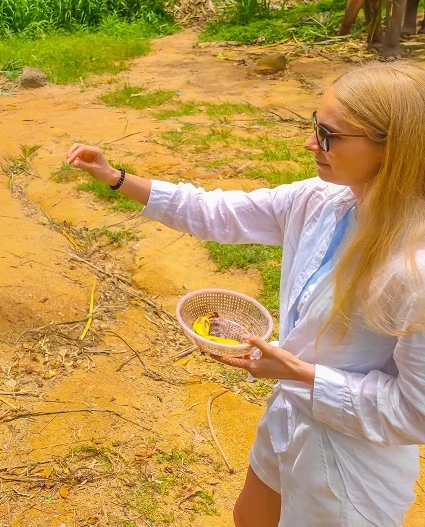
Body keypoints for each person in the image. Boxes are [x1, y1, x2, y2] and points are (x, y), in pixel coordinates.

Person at [66, 62, 425, 527]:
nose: (310, 143)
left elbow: (414, 412)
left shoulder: (412, 269)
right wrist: (116, 177)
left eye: (329, 135)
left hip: (352, 462)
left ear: (390, 149)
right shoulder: (325, 200)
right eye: (314, 125)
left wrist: (301, 373)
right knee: (248, 517)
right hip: (292, 416)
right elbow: (218, 211)